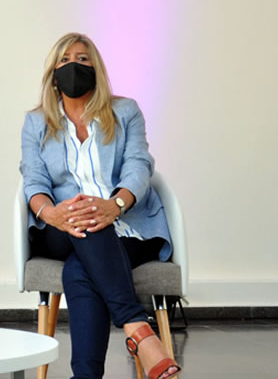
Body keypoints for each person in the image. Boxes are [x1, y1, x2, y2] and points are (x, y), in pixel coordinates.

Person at [20, 33, 181, 379]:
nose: (73, 66)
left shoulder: (125, 111)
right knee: (86, 221)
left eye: (83, 59)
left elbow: (139, 165)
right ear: (53, 75)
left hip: (130, 226)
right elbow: (33, 181)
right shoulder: (36, 122)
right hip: (61, 226)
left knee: (79, 269)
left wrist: (115, 204)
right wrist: (52, 214)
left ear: (97, 69)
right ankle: (137, 328)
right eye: (64, 60)